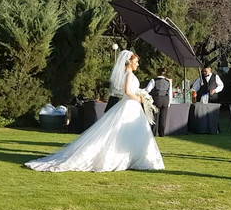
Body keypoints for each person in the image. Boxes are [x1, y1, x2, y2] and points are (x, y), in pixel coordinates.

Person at [25, 50, 164, 172]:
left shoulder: (127, 74)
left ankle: (133, 157)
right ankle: (127, 157)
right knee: (124, 132)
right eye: (136, 62)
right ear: (129, 62)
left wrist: (140, 96)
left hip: (131, 105)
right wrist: (139, 99)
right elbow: (127, 91)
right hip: (130, 104)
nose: (137, 64)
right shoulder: (128, 75)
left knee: (131, 132)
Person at [144, 67, 172, 136]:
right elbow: (170, 92)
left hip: (157, 99)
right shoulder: (168, 81)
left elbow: (148, 90)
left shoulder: (153, 80)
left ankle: (153, 133)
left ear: (157, 72)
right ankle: (161, 133)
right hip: (165, 99)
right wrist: (169, 102)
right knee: (163, 118)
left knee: (154, 117)